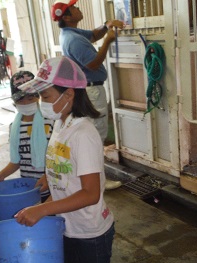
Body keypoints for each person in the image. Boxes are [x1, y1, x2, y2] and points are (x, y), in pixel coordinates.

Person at [15, 56, 117, 263]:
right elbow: (64, 161)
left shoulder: (83, 133)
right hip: (68, 225)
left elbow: (90, 193)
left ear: (68, 94)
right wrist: (51, 176)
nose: (40, 102)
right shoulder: (62, 121)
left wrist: (43, 209)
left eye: (44, 96)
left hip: (90, 230)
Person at [52, 0, 124, 190]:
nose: (78, 8)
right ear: (67, 17)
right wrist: (107, 41)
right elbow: (92, 64)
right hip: (91, 88)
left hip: (90, 88)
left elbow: (93, 35)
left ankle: (93, 178)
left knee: (94, 132)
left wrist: (106, 25)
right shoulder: (73, 39)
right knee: (96, 135)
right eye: (74, 8)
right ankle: (97, 181)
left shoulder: (72, 33)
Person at [0, 71, 54, 202]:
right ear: (14, 102)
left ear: (38, 97)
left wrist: (49, 177)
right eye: (21, 100)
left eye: (30, 98)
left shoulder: (51, 121)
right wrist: (0, 175)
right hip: (29, 188)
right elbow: (16, 161)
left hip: (52, 188)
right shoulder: (14, 127)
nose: (26, 103)